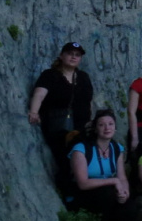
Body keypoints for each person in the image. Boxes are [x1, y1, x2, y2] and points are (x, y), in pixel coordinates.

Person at [28, 41, 94, 195]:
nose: (73, 57)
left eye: (77, 55)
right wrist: (34, 111)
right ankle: (68, 194)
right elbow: (40, 93)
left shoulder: (83, 77)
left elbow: (88, 101)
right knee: (68, 157)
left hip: (80, 125)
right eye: (70, 53)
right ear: (61, 55)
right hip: (58, 126)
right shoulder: (50, 75)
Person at [68, 109, 131, 221]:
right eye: (102, 125)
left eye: (110, 124)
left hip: (105, 191)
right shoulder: (81, 149)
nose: (107, 128)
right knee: (107, 194)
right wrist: (113, 181)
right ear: (96, 129)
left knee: (127, 205)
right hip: (83, 194)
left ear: (115, 128)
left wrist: (125, 192)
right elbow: (82, 183)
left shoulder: (117, 148)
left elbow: (122, 177)